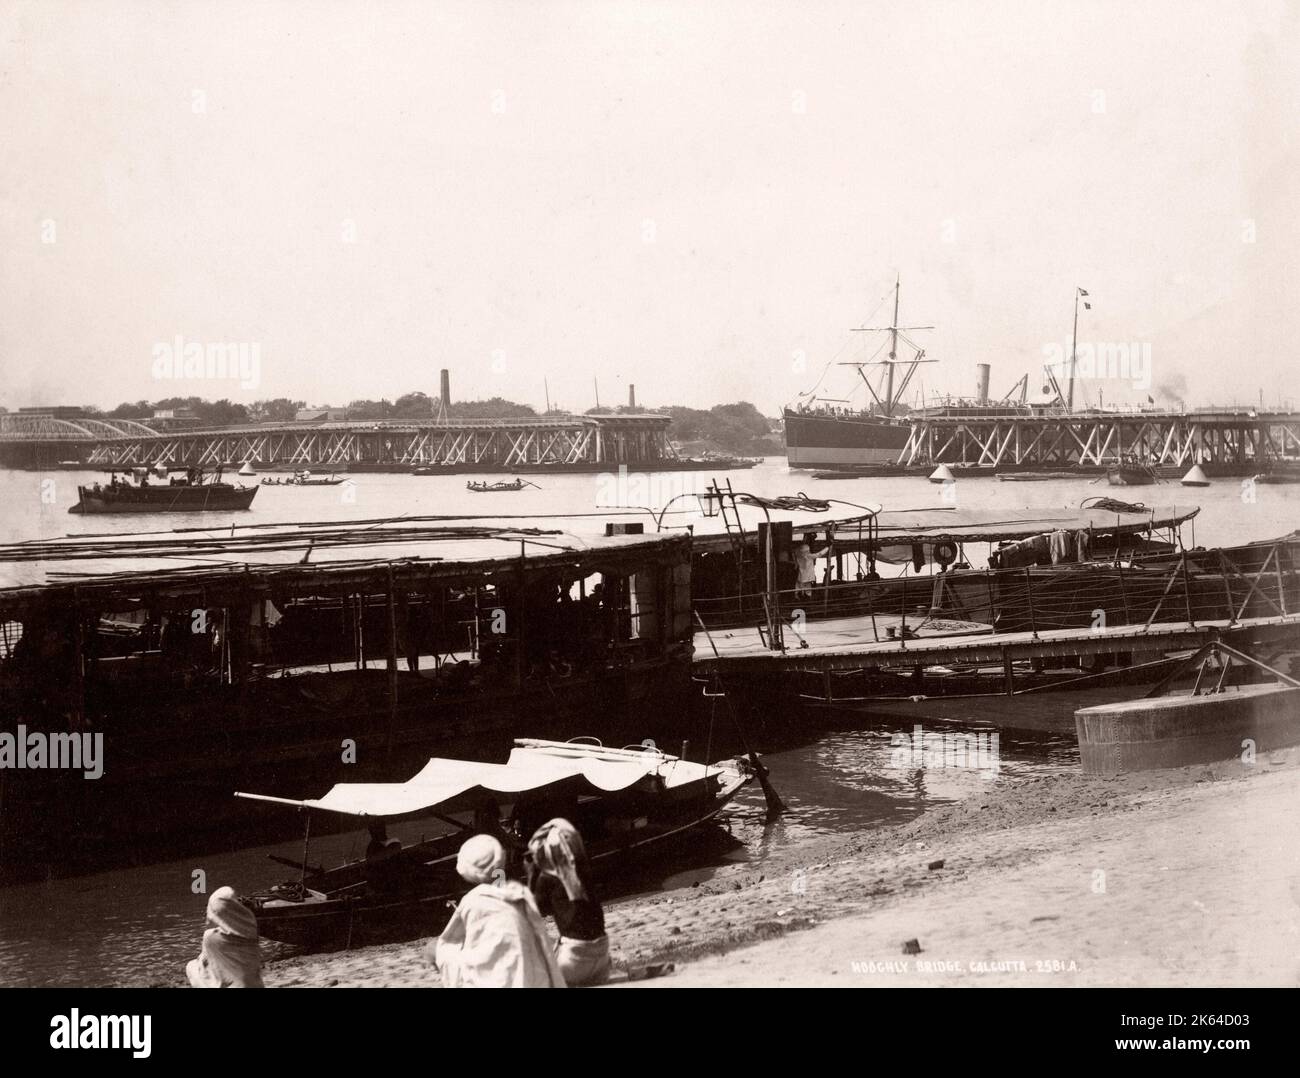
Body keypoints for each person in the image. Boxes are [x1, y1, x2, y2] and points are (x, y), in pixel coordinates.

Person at [429, 834, 564, 988]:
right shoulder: (520, 894)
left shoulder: (474, 901)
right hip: (534, 978)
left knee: (438, 950)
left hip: (500, 978)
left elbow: (453, 944)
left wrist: (439, 954)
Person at [526, 819, 610, 987]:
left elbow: (529, 912)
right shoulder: (584, 871)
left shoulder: (548, 878)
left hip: (573, 961)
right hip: (603, 961)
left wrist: (531, 875)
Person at [185, 886, 263, 988]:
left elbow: (204, 961)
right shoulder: (250, 926)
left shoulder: (211, 937)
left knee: (192, 966)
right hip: (256, 985)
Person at [794, 533, 826, 599]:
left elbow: (800, 548)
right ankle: (806, 600)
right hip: (807, 578)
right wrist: (827, 547)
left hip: (801, 577)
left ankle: (800, 598)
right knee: (807, 591)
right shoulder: (808, 556)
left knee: (800, 589)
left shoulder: (799, 556)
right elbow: (819, 554)